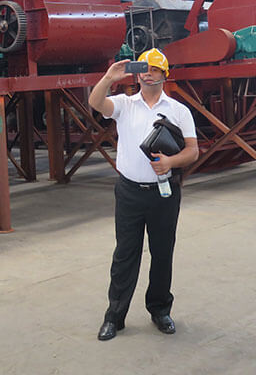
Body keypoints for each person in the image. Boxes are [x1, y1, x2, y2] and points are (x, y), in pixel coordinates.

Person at [87, 48, 199, 341]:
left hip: (164, 194)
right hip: (129, 192)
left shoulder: (178, 110)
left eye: (153, 68)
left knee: (162, 253)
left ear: (164, 74)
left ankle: (160, 310)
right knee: (125, 254)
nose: (146, 72)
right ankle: (114, 317)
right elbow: (95, 102)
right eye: (143, 68)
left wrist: (170, 163)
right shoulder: (124, 104)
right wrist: (109, 77)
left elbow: (193, 150)